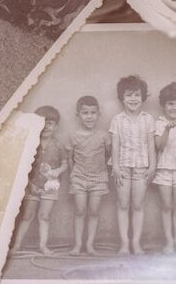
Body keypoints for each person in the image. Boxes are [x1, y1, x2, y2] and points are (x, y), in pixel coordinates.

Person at [12, 105, 67, 255]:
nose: (46, 126)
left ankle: (43, 246)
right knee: (28, 215)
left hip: (51, 186)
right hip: (32, 186)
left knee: (44, 216)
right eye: (42, 122)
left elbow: (65, 164)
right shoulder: (30, 145)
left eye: (50, 123)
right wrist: (29, 185)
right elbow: (23, 168)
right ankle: (17, 245)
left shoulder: (59, 145)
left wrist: (57, 171)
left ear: (56, 126)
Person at [110, 75, 156, 255]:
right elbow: (115, 145)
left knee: (138, 205)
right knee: (122, 204)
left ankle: (136, 243)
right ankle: (124, 243)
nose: (133, 99)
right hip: (121, 167)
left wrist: (152, 166)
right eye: (129, 95)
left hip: (142, 168)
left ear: (143, 97)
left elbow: (151, 144)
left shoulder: (148, 119)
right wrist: (115, 166)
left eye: (137, 95)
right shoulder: (117, 120)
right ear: (122, 98)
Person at [66, 96, 110, 255]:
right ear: (78, 114)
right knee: (79, 211)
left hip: (98, 179)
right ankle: (77, 245)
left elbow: (107, 156)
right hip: (78, 179)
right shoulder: (73, 136)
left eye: (93, 112)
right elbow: (70, 158)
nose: (89, 116)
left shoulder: (104, 136)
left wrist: (101, 171)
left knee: (94, 211)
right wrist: (73, 175)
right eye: (85, 113)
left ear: (98, 114)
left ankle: (90, 245)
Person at [153, 82, 176, 254]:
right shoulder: (159, 123)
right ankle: (169, 242)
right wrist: (167, 130)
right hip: (164, 170)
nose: (174, 107)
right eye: (170, 103)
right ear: (163, 105)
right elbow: (158, 146)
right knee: (167, 206)